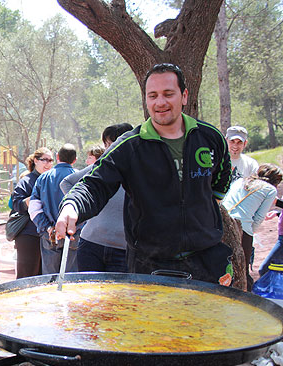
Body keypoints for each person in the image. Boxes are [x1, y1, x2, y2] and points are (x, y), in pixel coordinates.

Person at [55, 63, 233, 285]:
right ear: (146, 100)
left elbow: (221, 182)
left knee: (210, 320)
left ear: (184, 96)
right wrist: (72, 206)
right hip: (149, 265)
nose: (160, 102)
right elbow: (94, 184)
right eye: (153, 95)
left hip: (208, 261)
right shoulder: (129, 146)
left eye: (168, 94)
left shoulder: (210, 137)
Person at [60, 123, 133, 273]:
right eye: (107, 144)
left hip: (124, 250)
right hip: (90, 244)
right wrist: (85, 207)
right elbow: (67, 183)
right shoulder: (100, 167)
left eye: (113, 143)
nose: (110, 148)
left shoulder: (139, 169)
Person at [222, 164, 282, 290]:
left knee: (223, 266)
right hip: (242, 228)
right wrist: (249, 233)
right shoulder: (270, 190)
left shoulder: (240, 181)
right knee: (242, 272)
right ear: (276, 181)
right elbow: (259, 218)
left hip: (222, 223)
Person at [28, 144, 77, 274]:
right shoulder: (80, 178)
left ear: (57, 157)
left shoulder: (43, 178)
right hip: (74, 237)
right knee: (72, 281)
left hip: (51, 236)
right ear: (75, 160)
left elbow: (34, 210)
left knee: (50, 280)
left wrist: (48, 228)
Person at [10, 147, 53, 278]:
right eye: (44, 160)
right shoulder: (26, 181)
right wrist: (34, 198)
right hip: (28, 235)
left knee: (45, 277)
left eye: (51, 160)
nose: (48, 163)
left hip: (48, 235)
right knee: (27, 277)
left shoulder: (52, 180)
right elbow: (17, 204)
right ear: (35, 161)